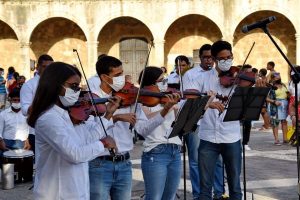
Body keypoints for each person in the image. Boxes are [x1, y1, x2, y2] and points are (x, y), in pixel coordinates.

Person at [27, 62, 117, 200]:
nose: (78, 92)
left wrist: (108, 115)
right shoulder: (48, 118)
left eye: (78, 87)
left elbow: (87, 140)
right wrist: (103, 144)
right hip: (57, 194)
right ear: (55, 85)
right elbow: (74, 155)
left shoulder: (68, 115)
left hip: (75, 191)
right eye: (73, 86)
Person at [186, 40, 243, 199]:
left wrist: (257, 86)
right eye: (222, 58)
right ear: (215, 59)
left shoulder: (237, 78)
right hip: (208, 138)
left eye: (229, 57)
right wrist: (207, 103)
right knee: (205, 188)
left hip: (231, 137)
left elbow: (249, 101)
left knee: (235, 186)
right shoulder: (202, 78)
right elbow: (189, 101)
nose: (227, 61)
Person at [89, 56, 150, 200]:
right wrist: (115, 117)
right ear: (104, 77)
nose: (122, 78)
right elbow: (90, 133)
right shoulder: (92, 100)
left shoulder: (130, 97)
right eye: (117, 75)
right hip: (100, 163)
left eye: (122, 73)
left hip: (124, 163)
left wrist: (164, 110)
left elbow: (144, 129)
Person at [183, 44, 226, 200]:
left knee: (218, 160)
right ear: (200, 58)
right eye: (205, 57)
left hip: (215, 123)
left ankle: (219, 193)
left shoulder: (220, 74)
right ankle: (198, 193)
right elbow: (189, 98)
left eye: (211, 58)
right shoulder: (191, 74)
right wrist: (206, 101)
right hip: (198, 122)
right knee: (196, 161)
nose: (209, 60)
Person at [136, 66, 182, 200]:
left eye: (165, 79)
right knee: (154, 197)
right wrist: (165, 110)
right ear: (150, 83)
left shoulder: (168, 98)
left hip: (174, 149)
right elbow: (142, 130)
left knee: (170, 196)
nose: (165, 83)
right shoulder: (142, 102)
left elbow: (179, 124)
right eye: (161, 80)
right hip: (155, 152)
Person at [20, 54, 54, 153]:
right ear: (38, 67)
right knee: (41, 164)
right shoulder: (29, 85)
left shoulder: (56, 84)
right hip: (37, 132)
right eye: (44, 67)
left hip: (55, 129)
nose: (48, 70)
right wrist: (41, 100)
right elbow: (25, 110)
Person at [0, 88, 30, 155]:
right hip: (6, 143)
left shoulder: (26, 114)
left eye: (19, 100)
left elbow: (29, 129)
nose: (17, 102)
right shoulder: (3, 114)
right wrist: (1, 142)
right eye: (14, 100)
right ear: (10, 100)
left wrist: (28, 141)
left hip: (23, 143)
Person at [267, 73, 289, 145]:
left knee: (284, 122)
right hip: (275, 106)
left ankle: (285, 139)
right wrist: (274, 101)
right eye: (277, 78)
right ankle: (276, 139)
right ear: (273, 79)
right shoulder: (271, 87)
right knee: (275, 123)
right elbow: (266, 98)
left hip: (284, 105)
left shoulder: (284, 85)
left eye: (279, 78)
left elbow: (287, 94)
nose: (278, 79)